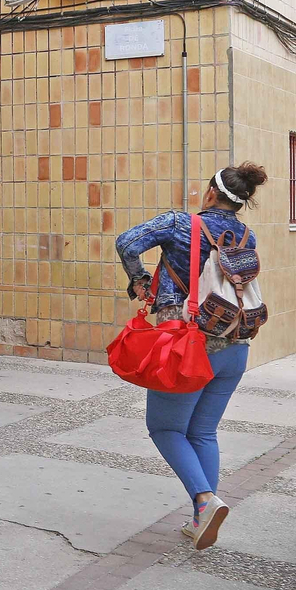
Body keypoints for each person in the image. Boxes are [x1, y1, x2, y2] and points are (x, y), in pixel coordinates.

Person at [113, 163, 268, 549]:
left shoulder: (180, 223)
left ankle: (204, 500)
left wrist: (139, 279)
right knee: (202, 431)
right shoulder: (245, 234)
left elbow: (127, 242)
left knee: (165, 429)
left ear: (211, 193)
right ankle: (203, 515)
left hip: (188, 347)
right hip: (235, 347)